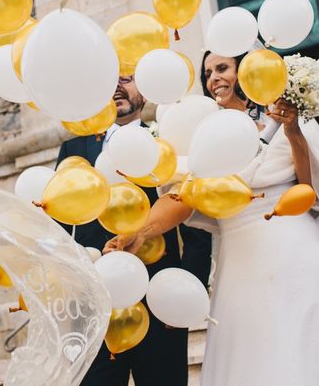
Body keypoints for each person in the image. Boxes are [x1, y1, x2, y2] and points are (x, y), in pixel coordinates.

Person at [105, 52, 319, 385]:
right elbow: (183, 198)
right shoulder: (202, 136)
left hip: (296, 246)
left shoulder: (283, 119)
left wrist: (293, 131)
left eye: (222, 68)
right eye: (207, 72)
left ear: (245, 71)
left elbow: (309, 191)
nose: (214, 77)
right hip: (240, 261)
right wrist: (141, 232)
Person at [57, 74, 212, 386]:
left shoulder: (166, 146)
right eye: (109, 77)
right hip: (96, 309)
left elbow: (197, 226)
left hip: (161, 304)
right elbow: (58, 229)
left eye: (126, 78)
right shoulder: (73, 149)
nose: (116, 85)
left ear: (147, 86)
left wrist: (184, 295)